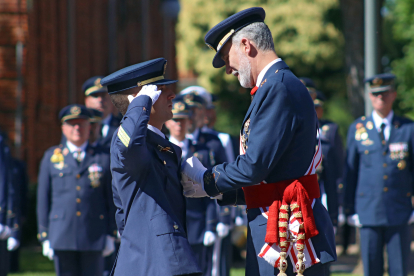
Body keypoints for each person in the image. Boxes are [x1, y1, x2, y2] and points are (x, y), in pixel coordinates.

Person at [181, 7, 336, 276]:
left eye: (226, 57)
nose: (228, 69)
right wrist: (220, 191)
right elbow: (275, 175)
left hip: (286, 228)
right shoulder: (276, 86)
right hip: (279, 221)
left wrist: (207, 178)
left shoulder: (277, 88)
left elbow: (255, 166)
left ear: (246, 45)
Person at [100, 58, 201, 276]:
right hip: (153, 263)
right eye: (160, 90)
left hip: (159, 259)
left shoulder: (161, 145)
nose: (172, 95)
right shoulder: (127, 141)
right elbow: (130, 146)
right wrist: (140, 102)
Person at [344, 73, 414, 276]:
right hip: (368, 211)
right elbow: (351, 172)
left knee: (399, 268)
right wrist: (350, 210)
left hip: (399, 210)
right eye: (375, 94)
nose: (380, 98)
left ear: (393, 95)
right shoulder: (358, 129)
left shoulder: (408, 128)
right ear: (369, 96)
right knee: (371, 268)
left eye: (384, 93)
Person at [37, 104, 117, 276]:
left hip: (93, 233)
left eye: (82, 123)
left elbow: (111, 198)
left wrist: (111, 233)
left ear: (90, 126)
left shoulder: (103, 157)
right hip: (61, 234)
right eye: (72, 123)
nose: (77, 128)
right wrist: (44, 235)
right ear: (63, 128)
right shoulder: (51, 157)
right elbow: (43, 199)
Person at [166, 99, 218, 276]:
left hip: (196, 222)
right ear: (167, 122)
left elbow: (210, 190)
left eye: (183, 120)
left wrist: (210, 225)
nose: (179, 124)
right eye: (175, 119)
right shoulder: (160, 149)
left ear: (189, 122)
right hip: (170, 223)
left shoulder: (201, 152)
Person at [299, 78, 343, 229]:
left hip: (324, 188)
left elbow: (339, 164)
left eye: (316, 106)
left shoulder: (329, 130)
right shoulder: (294, 125)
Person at [83, 76, 121, 150]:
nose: (100, 100)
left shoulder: (123, 125)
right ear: (86, 101)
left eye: (104, 95)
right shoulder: (79, 127)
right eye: (95, 96)